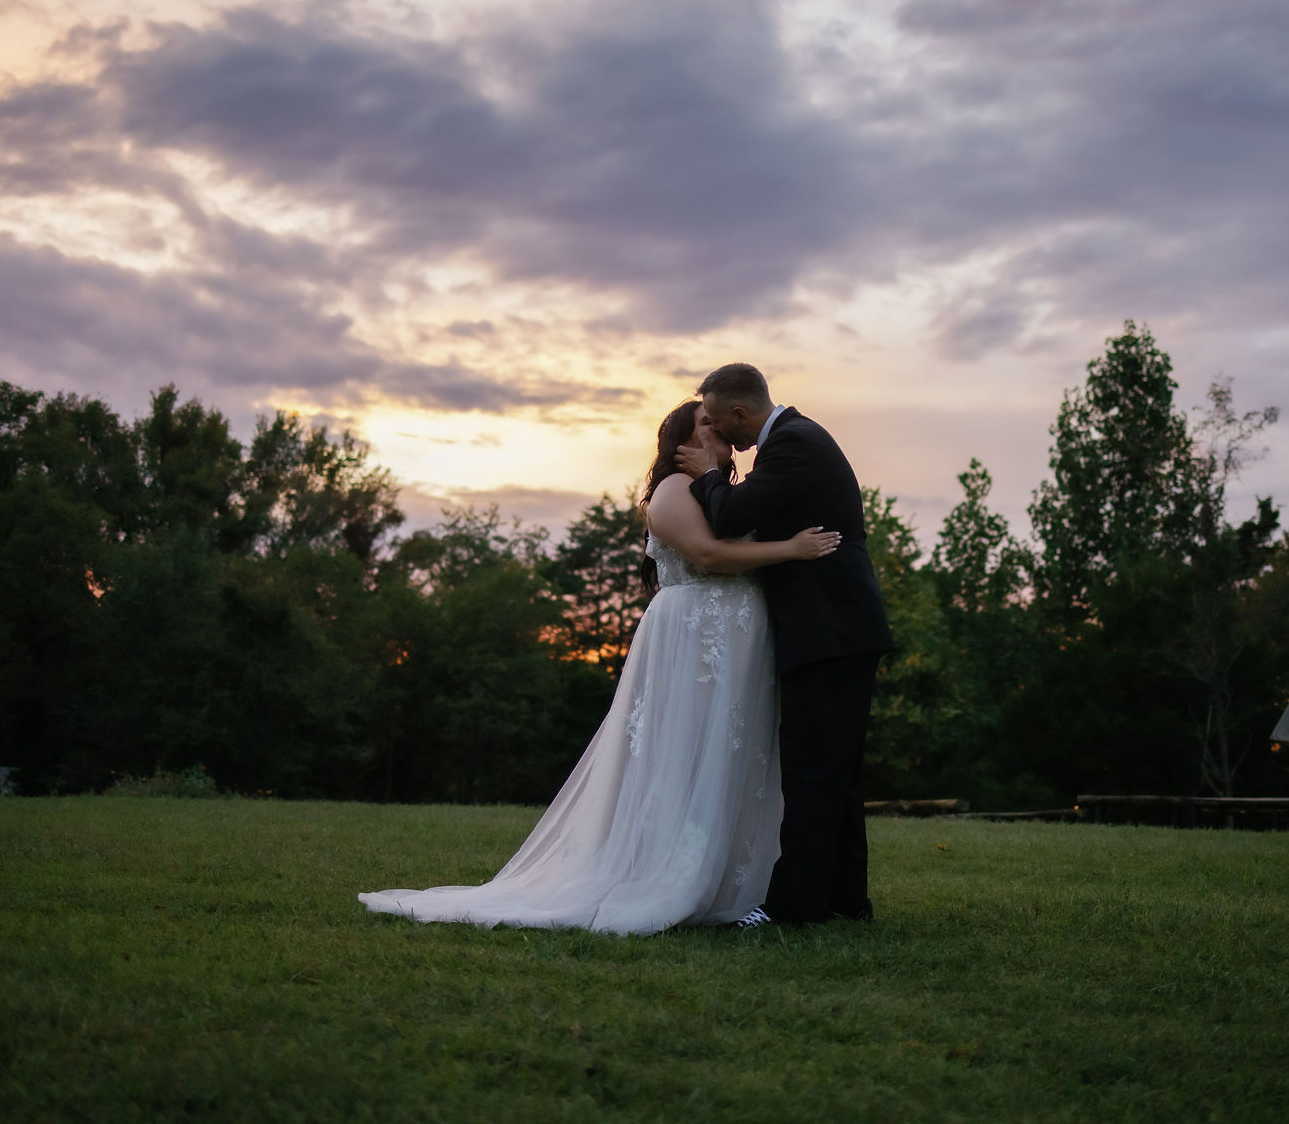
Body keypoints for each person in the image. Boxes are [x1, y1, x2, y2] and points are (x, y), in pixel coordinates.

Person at [357, 399, 839, 935]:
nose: (719, 428)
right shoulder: (675, 490)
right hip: (695, 635)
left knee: (736, 753)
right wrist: (791, 549)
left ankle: (740, 880)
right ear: (679, 442)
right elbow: (706, 555)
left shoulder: (733, 492)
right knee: (688, 750)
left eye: (719, 420)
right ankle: (674, 874)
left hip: (742, 637)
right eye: (705, 423)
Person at [675, 363, 893, 927]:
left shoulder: (794, 444)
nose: (725, 440)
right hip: (836, 630)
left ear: (741, 413)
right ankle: (844, 901)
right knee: (834, 771)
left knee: (813, 770)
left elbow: (728, 518)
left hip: (828, 630)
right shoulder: (796, 439)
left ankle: (793, 908)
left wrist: (705, 473)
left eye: (722, 424)